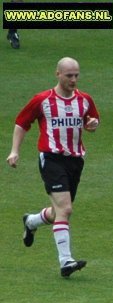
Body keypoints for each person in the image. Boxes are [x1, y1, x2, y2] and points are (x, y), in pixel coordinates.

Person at [6, 57, 100, 277]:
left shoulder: (84, 100)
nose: (73, 80)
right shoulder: (42, 100)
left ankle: (31, 221)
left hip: (75, 160)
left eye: (76, 75)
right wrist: (14, 151)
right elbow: (22, 123)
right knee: (65, 209)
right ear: (57, 74)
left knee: (59, 211)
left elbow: (92, 121)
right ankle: (66, 261)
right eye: (69, 75)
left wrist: (92, 125)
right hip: (51, 159)